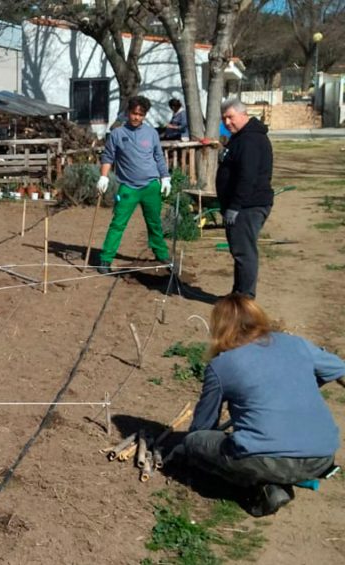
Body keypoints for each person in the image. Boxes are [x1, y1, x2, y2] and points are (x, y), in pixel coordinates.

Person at [179, 294, 343, 517]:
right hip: (322, 457)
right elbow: (340, 370)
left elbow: (203, 427)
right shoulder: (296, 344)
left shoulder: (221, 366)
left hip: (266, 460)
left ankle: (263, 487)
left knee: (194, 443)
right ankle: (277, 482)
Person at [95, 96, 172, 274]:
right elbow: (108, 157)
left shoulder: (151, 133)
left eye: (140, 114)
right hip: (127, 187)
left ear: (144, 115)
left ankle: (161, 254)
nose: (136, 117)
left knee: (154, 223)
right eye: (134, 113)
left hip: (151, 186)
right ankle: (105, 259)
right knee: (118, 223)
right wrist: (104, 177)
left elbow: (158, 157)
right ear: (128, 112)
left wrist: (165, 177)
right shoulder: (117, 134)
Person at [216, 98, 273, 298]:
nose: (227, 122)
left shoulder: (250, 139)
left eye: (230, 117)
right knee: (239, 253)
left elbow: (247, 176)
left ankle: (245, 298)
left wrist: (235, 206)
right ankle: (238, 294)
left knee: (244, 254)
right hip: (243, 204)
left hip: (248, 206)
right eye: (224, 119)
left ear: (243, 114)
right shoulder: (240, 137)